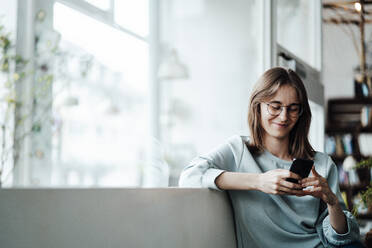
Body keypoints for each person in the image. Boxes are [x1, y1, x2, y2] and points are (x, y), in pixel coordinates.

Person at [179, 67, 362, 248]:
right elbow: (190, 176)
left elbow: (342, 239)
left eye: (293, 109)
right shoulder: (239, 150)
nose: (283, 116)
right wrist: (259, 181)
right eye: (275, 107)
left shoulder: (321, 164)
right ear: (257, 106)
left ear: (300, 113)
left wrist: (331, 200)